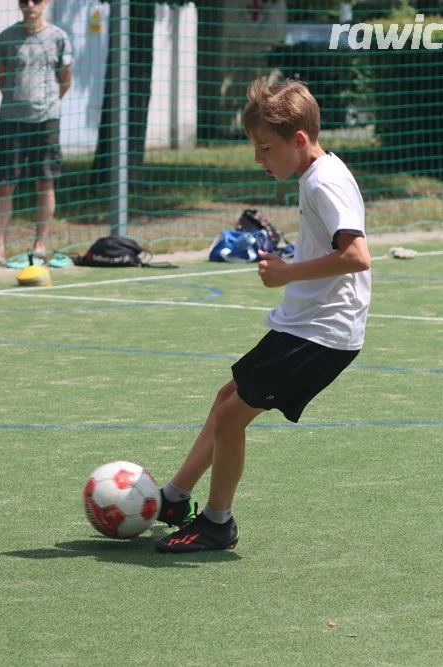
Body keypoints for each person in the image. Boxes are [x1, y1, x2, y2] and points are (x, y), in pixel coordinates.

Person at [154, 78, 372, 554]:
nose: (259, 159)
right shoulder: (315, 174)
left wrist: (288, 272)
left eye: (264, 148)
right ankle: (174, 497)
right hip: (303, 324)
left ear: (298, 140)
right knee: (227, 397)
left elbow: (357, 256)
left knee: (232, 419)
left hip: (323, 334)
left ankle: (216, 523)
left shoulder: (326, 181)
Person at [0, 0, 73, 265]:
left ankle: (40, 244)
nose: (30, 5)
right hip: (12, 120)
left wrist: (47, 104)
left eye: (36, 0)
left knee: (45, 182)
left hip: (46, 120)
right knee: (5, 183)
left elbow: (66, 78)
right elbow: (2, 79)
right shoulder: (6, 38)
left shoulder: (59, 37)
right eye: (24, 1)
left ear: (45, 3)